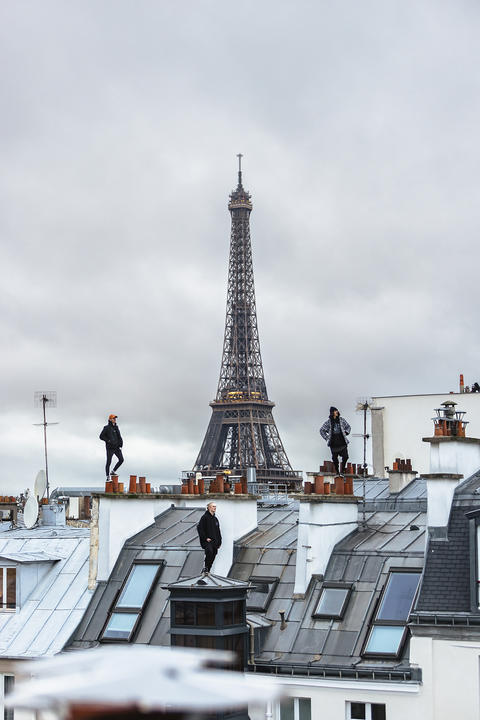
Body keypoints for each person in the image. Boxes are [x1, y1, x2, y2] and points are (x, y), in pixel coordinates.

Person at [319, 406, 351, 475]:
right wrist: (327, 437)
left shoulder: (341, 420)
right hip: (333, 442)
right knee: (334, 458)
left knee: (346, 456)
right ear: (332, 412)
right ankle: (337, 471)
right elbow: (322, 430)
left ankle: (342, 470)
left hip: (342, 440)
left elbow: (348, 426)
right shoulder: (328, 422)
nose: (337, 412)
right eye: (335, 411)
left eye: (337, 410)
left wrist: (346, 432)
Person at [197, 502, 222, 574]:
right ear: (209, 507)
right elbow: (200, 528)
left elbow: (218, 531)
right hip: (208, 541)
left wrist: (220, 541)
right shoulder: (204, 517)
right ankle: (206, 568)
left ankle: (208, 570)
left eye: (215, 507)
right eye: (213, 506)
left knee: (214, 554)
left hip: (215, 541)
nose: (214, 508)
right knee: (209, 552)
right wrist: (205, 538)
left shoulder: (215, 519)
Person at [99, 414, 124, 478]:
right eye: (113, 418)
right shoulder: (106, 427)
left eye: (115, 418)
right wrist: (108, 441)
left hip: (116, 447)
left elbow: (119, 436)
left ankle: (113, 471)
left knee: (121, 459)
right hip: (110, 448)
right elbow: (101, 436)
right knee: (109, 462)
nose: (115, 419)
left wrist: (121, 443)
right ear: (110, 419)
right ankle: (107, 477)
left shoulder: (116, 427)